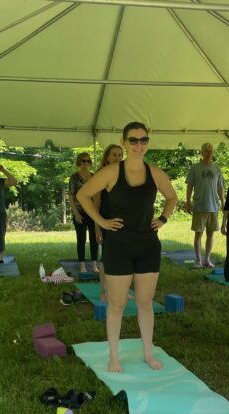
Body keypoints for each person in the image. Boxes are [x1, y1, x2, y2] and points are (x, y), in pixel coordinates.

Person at [77, 122, 177, 372]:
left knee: (145, 303)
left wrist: (163, 219)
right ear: (124, 142)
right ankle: (114, 357)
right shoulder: (111, 172)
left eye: (143, 140)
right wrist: (101, 221)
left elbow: (172, 197)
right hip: (118, 247)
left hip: (147, 246)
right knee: (117, 304)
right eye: (133, 140)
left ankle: (148, 353)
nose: (138, 145)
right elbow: (83, 195)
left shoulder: (155, 173)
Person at [185, 142, 224, 268]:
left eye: (211, 151)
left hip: (214, 207)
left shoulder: (217, 168)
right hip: (200, 206)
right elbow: (189, 186)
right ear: (202, 152)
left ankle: (207, 259)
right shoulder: (195, 168)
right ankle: (198, 260)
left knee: (210, 234)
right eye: (206, 151)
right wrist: (188, 202)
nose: (209, 153)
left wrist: (223, 202)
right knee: (198, 234)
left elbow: (220, 188)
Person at [95, 144, 124, 300]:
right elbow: (96, 203)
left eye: (120, 155)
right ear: (107, 157)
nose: (117, 158)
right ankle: (104, 291)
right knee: (106, 257)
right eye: (114, 155)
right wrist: (97, 228)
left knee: (123, 257)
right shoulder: (101, 174)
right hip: (106, 221)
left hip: (124, 222)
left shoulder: (126, 174)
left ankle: (122, 290)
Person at [68, 152, 99, 274]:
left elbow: (98, 195)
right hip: (79, 211)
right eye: (83, 161)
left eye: (88, 161)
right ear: (79, 162)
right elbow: (71, 196)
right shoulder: (74, 177)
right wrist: (75, 213)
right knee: (81, 239)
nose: (86, 163)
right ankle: (82, 264)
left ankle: (94, 264)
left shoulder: (94, 177)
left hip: (93, 212)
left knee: (94, 238)